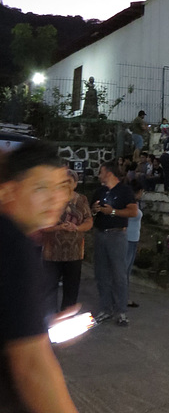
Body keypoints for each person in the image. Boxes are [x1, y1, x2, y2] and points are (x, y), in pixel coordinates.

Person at [0, 140, 79, 413]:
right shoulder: (12, 244)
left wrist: (37, 322)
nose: (55, 198)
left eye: (59, 186)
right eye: (40, 187)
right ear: (9, 192)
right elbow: (32, 367)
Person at [91, 161, 138, 326]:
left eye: (101, 172)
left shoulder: (125, 190)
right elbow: (91, 212)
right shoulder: (100, 191)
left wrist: (112, 211)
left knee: (119, 274)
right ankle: (105, 309)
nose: (99, 175)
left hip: (117, 235)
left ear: (109, 173)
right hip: (100, 234)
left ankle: (121, 311)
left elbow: (133, 211)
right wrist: (95, 210)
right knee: (101, 273)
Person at [42, 169, 93, 317]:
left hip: (74, 252)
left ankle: (66, 318)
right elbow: (42, 225)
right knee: (49, 289)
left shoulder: (81, 199)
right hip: (52, 253)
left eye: (69, 182)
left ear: (75, 184)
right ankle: (48, 319)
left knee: (71, 289)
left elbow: (89, 221)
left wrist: (77, 228)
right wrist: (58, 227)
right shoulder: (51, 199)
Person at [126, 180, 143, 308]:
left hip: (133, 238)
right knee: (124, 270)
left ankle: (123, 296)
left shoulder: (135, 203)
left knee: (127, 270)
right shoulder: (129, 204)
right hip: (128, 238)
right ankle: (122, 297)